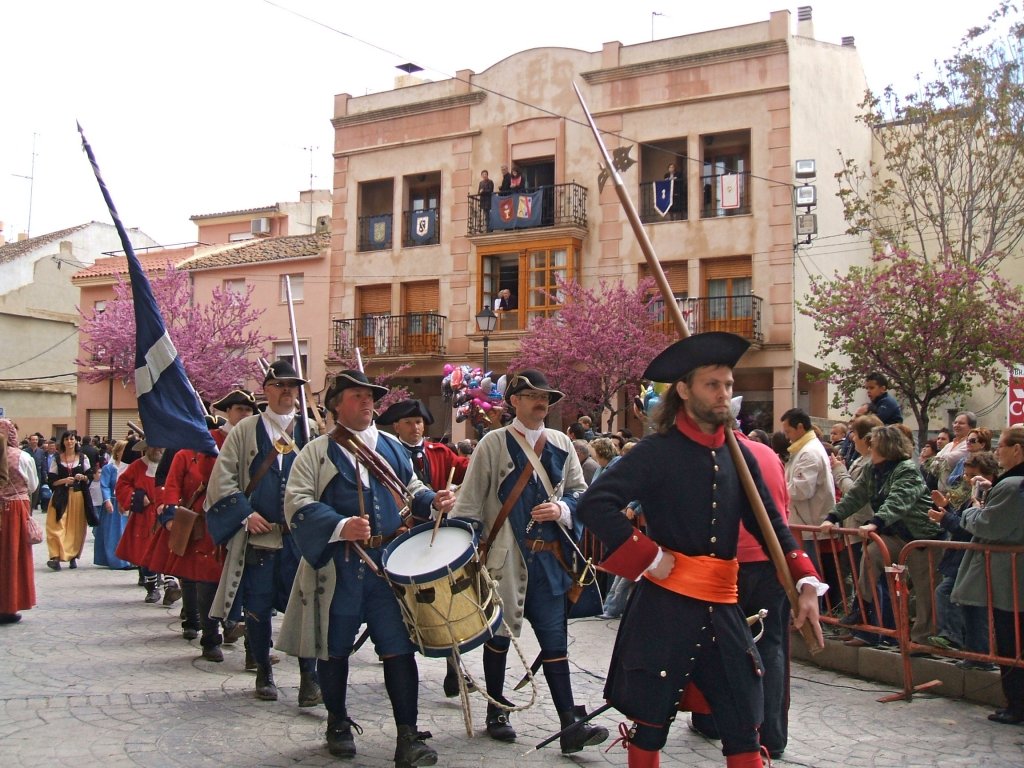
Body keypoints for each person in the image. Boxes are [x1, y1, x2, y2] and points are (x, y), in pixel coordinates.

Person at [577, 332, 823, 768]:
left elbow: (771, 526)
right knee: (649, 723)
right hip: (665, 608)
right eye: (713, 384)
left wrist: (804, 578)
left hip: (725, 608)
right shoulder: (657, 451)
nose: (723, 394)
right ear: (685, 391)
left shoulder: (739, 456)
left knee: (746, 722)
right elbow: (596, 504)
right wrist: (649, 558)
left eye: (728, 385)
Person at [278, 370, 454, 765]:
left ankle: (407, 737)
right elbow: (297, 501)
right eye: (356, 396)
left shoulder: (391, 447)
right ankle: (337, 722)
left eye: (370, 396)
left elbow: (412, 489)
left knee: (398, 649)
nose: (366, 402)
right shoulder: (316, 452)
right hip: (340, 567)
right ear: (336, 404)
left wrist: (434, 501)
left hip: (388, 570)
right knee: (334, 649)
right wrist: (340, 526)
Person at [450, 368, 608, 754]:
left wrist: (562, 508)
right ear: (514, 401)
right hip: (504, 559)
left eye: (546, 396)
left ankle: (569, 724)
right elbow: (469, 507)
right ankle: (497, 710)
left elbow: (580, 493)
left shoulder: (561, 443)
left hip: (551, 562)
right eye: (533, 395)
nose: (542, 402)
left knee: (556, 644)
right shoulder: (492, 444)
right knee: (499, 640)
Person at [206, 362, 320, 705]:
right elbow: (223, 478)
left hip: (301, 539)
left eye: (292, 385)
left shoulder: (312, 431)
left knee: (306, 607)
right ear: (266, 389)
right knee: (257, 606)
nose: (287, 391)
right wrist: (245, 514)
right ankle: (263, 672)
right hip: (260, 537)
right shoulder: (245, 431)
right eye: (280, 385)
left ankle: (308, 677)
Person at [690, 399, 794, 760]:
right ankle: (771, 736)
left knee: (718, 644)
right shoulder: (767, 454)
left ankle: (715, 720)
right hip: (769, 560)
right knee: (771, 645)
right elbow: (784, 505)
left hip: (728, 562)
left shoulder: (711, 455)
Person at [375, 397, 471, 698]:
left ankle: (455, 669)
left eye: (419, 422)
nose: (416, 427)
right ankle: (396, 657)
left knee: (445, 602)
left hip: (435, 538)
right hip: (400, 540)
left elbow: (469, 470)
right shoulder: (384, 454)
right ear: (396, 427)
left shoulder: (440, 452)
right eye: (408, 423)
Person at [821, 425, 944, 647]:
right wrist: (832, 516)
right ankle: (862, 607)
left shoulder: (907, 470)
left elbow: (899, 500)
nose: (870, 448)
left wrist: (876, 523)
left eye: (874, 444)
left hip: (921, 537)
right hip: (895, 533)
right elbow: (856, 495)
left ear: (886, 447)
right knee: (871, 554)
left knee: (924, 589)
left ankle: (921, 640)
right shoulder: (871, 469)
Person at [950, 425, 1024, 725]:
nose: (997, 451)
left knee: (1011, 640)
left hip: (1011, 578)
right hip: (1011, 574)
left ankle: (1016, 704)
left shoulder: (1013, 486)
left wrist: (973, 506)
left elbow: (989, 523)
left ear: (1017, 450)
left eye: (1001, 446)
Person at [927, 451, 1000, 655]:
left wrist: (946, 518)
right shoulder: (973, 496)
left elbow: (970, 526)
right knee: (959, 598)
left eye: (972, 475)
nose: (968, 480)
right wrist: (946, 509)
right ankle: (966, 645)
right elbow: (962, 520)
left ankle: (957, 638)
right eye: (967, 475)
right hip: (962, 557)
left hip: (973, 558)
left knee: (952, 594)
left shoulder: (988, 495)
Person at [779, 408, 835, 582]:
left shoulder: (809, 452)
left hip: (809, 522)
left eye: (788, 431)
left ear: (800, 427)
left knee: (810, 575)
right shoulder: (805, 449)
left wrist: (778, 488)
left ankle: (815, 608)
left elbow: (802, 490)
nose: (787, 437)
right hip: (805, 521)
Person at [115, 442, 168, 602]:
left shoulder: (169, 464)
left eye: (160, 446)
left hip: (165, 514)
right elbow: (122, 485)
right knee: (145, 552)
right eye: (154, 446)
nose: (158, 449)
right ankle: (152, 588)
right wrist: (137, 497)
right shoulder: (137, 466)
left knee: (168, 550)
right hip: (144, 517)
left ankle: (170, 586)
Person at [0, 419, 38, 624]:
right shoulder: (23, 457)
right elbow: (32, 485)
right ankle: (10, 604)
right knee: (14, 557)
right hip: (15, 510)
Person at [44, 430, 91, 571]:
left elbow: (89, 477)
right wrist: (64, 480)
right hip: (60, 495)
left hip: (77, 495)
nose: (69, 442)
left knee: (75, 527)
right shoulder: (57, 459)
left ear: (76, 441)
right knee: (55, 525)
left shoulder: (83, 458)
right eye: (67, 439)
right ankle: (55, 556)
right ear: (63, 442)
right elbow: (51, 480)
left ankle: (72, 555)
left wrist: (83, 477)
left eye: (72, 439)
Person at [94, 440, 131, 569]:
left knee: (127, 532)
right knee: (114, 533)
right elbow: (104, 486)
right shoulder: (109, 468)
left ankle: (129, 559)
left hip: (127, 503)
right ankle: (117, 561)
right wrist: (107, 500)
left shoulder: (130, 467)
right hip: (114, 503)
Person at [934, 411, 976, 492]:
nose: (956, 425)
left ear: (971, 427)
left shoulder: (969, 445)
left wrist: (939, 459)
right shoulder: (949, 445)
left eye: (961, 423)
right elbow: (933, 464)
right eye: (955, 422)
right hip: (942, 492)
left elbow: (949, 460)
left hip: (957, 494)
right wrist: (939, 459)